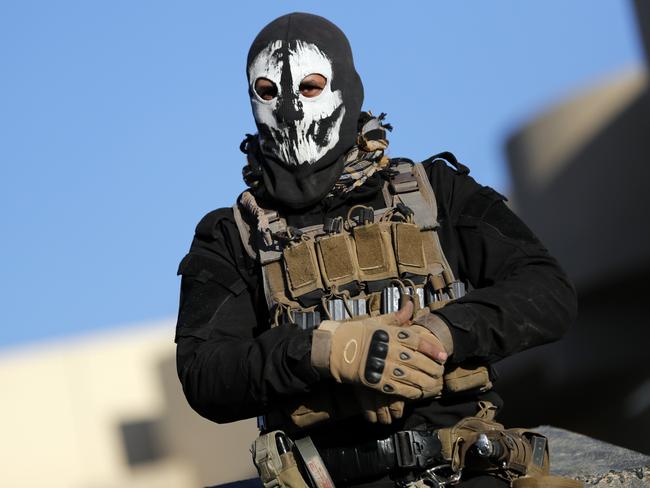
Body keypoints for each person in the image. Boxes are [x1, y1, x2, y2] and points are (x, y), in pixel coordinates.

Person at [175, 12, 577, 488]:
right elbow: (204, 375)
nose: (288, 109)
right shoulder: (232, 233)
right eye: (267, 91)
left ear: (345, 85)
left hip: (463, 469)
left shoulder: (433, 192)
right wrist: (325, 352)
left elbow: (548, 291)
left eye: (310, 86)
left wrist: (442, 331)